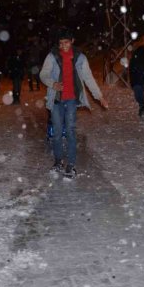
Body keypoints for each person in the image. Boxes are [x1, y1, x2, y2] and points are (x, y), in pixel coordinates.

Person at [40, 28, 108, 178]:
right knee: (57, 133)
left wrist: (99, 96)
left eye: (66, 42)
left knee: (70, 131)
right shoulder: (52, 56)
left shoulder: (80, 58)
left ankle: (71, 165)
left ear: (72, 42)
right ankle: (58, 161)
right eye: (60, 43)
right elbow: (43, 74)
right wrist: (53, 83)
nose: (63, 46)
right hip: (57, 100)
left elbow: (88, 78)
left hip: (71, 100)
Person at [129, 45, 144, 117]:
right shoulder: (143, 59)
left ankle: (142, 107)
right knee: (139, 95)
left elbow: (131, 71)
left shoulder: (137, 59)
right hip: (140, 81)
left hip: (138, 81)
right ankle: (142, 107)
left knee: (138, 95)